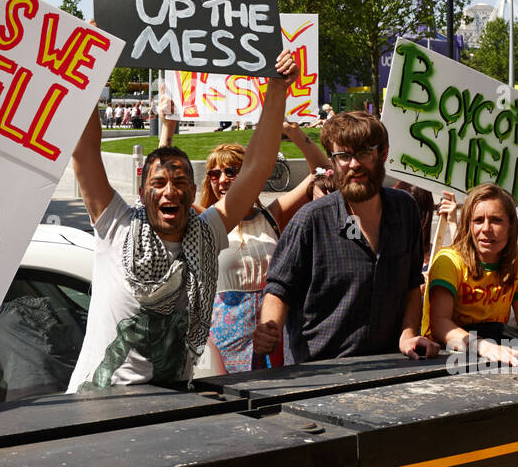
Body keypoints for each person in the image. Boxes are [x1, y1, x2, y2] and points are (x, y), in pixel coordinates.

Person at [67, 51, 300, 391]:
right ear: (143, 191)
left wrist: (277, 89)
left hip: (171, 407)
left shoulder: (207, 232)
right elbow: (84, 152)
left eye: (179, 184)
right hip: (98, 406)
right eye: (158, 184)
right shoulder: (115, 224)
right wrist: (87, 60)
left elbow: (256, 167)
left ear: (193, 191)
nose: (169, 192)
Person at [255, 111, 441, 365]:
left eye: (364, 153)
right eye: (344, 156)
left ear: (383, 154)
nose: (354, 164)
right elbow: (279, 288)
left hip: (388, 366)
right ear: (333, 160)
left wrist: (408, 334)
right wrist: (271, 326)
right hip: (319, 372)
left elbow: (411, 283)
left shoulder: (405, 210)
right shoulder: (311, 220)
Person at [160, 108, 331, 373]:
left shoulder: (272, 216)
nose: (222, 180)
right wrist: (167, 131)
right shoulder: (202, 220)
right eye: (214, 174)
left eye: (231, 171)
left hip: (274, 335)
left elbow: (324, 172)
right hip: (220, 340)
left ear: (250, 176)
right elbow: (161, 189)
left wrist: (294, 132)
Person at [414, 183, 518, 367]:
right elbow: (440, 323)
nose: (486, 228)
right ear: (468, 225)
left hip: (495, 354)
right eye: (478, 220)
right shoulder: (448, 261)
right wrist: (481, 345)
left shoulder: (515, 259)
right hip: (446, 359)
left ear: (511, 225)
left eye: (496, 220)